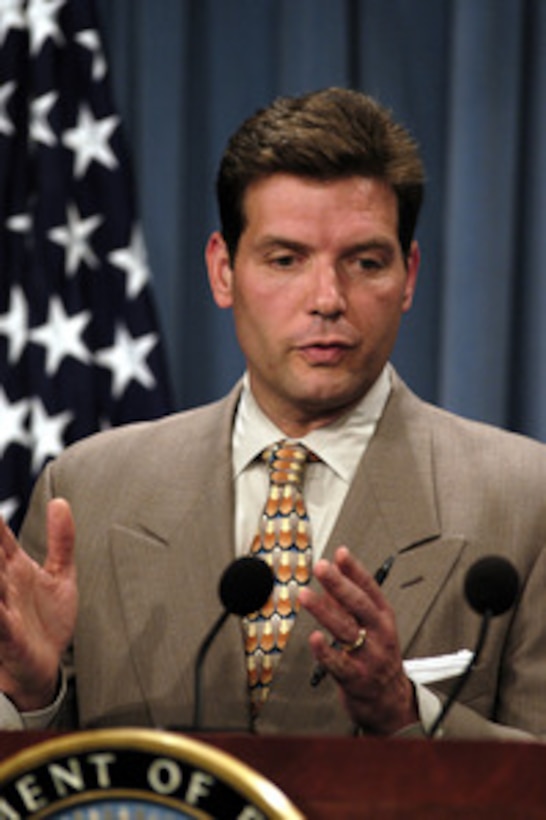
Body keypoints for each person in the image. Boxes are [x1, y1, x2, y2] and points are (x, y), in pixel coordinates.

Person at [0, 87, 545, 739]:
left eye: (365, 262)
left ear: (410, 275)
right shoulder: (88, 492)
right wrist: (33, 698)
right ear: (223, 272)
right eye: (285, 260)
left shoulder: (525, 502)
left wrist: (409, 716)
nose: (327, 299)